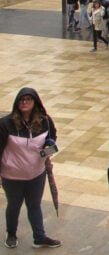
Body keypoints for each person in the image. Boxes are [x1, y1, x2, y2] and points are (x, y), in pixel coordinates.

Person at [0, 88, 60, 249]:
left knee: (34, 205)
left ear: (35, 102)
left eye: (28, 99)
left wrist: (49, 147)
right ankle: (11, 233)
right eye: (21, 100)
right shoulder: (6, 123)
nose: (24, 103)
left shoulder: (45, 121)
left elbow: (52, 138)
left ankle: (39, 237)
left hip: (36, 174)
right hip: (12, 175)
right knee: (14, 205)